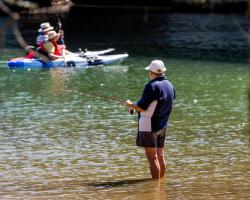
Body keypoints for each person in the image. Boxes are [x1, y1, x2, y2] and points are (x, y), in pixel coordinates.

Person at [125, 60, 176, 179]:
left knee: (152, 158)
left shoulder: (151, 86)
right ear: (163, 71)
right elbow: (155, 104)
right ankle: (160, 186)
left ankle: (156, 188)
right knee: (160, 156)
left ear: (151, 72)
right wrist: (135, 106)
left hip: (149, 125)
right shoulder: (170, 85)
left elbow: (142, 107)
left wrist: (129, 104)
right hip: (162, 125)